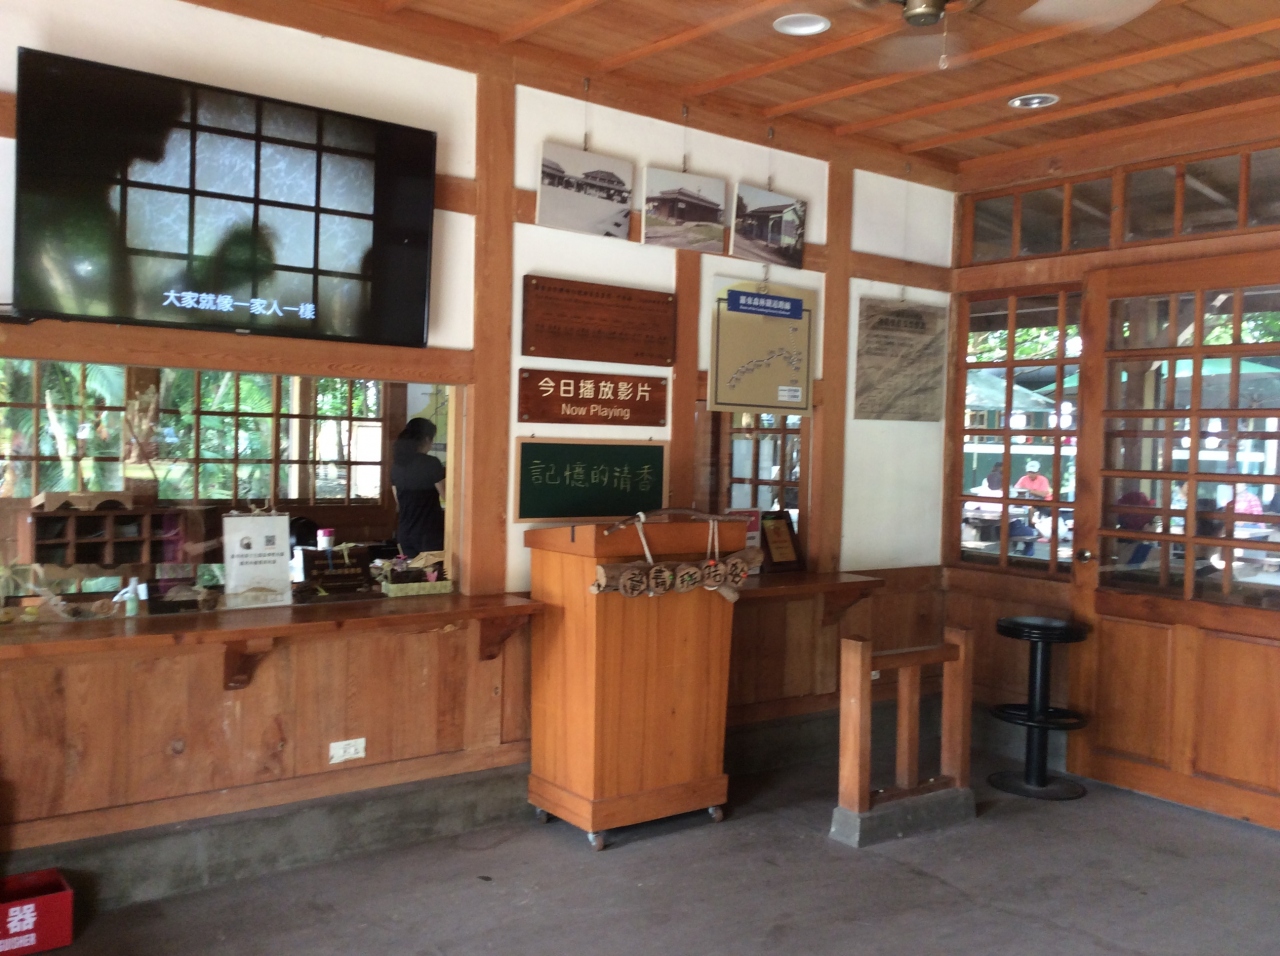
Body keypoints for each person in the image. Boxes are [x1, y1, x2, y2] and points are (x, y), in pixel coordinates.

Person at [391, 418, 445, 557]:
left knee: (411, 570)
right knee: (433, 571)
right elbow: (446, 495)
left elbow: (399, 501)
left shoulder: (397, 465)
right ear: (427, 439)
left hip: (405, 532)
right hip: (429, 533)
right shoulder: (431, 463)